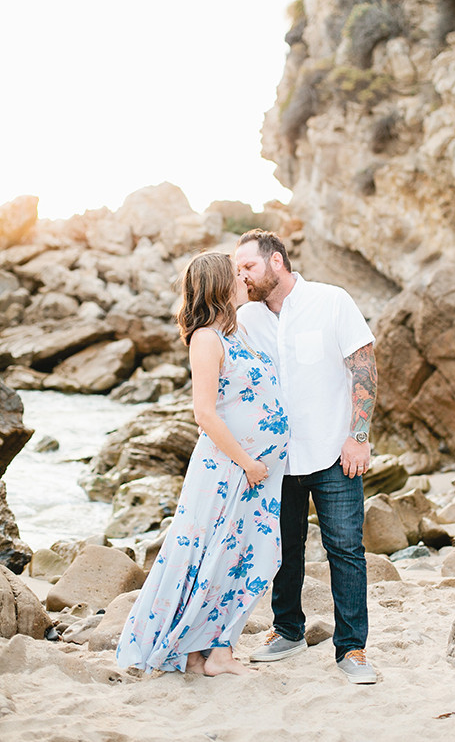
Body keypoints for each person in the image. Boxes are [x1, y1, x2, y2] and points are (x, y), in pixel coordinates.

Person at [116, 252, 288, 677]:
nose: (244, 278)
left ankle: (207, 654)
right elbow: (204, 413)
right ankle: (205, 654)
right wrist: (248, 462)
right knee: (215, 556)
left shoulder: (237, 332)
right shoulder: (207, 339)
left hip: (257, 472)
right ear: (218, 285)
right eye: (236, 274)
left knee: (246, 558)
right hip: (231, 470)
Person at [235, 230, 378, 685]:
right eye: (238, 270)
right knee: (282, 550)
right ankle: (288, 631)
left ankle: (352, 649)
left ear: (277, 262)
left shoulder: (331, 301)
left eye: (249, 267)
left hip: (334, 452)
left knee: (346, 550)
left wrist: (359, 435)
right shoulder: (246, 318)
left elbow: (364, 365)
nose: (243, 276)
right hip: (275, 459)